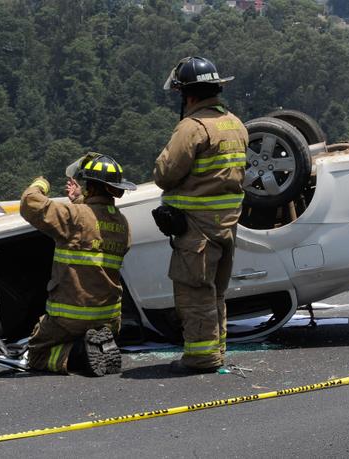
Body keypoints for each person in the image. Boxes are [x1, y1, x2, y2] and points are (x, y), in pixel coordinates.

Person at [154, 56, 247, 374]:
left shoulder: (192, 128)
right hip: (227, 226)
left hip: (197, 229)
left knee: (194, 293)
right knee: (215, 293)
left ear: (188, 94)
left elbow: (165, 173)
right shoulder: (235, 124)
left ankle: (201, 356)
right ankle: (216, 349)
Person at [20, 153, 135, 376]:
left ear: (90, 187)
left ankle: (80, 353)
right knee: (91, 328)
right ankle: (99, 344)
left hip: (70, 318)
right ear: (115, 189)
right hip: (109, 318)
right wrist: (80, 199)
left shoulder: (73, 217)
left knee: (37, 354)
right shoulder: (122, 224)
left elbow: (29, 203)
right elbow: (95, 222)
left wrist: (40, 184)